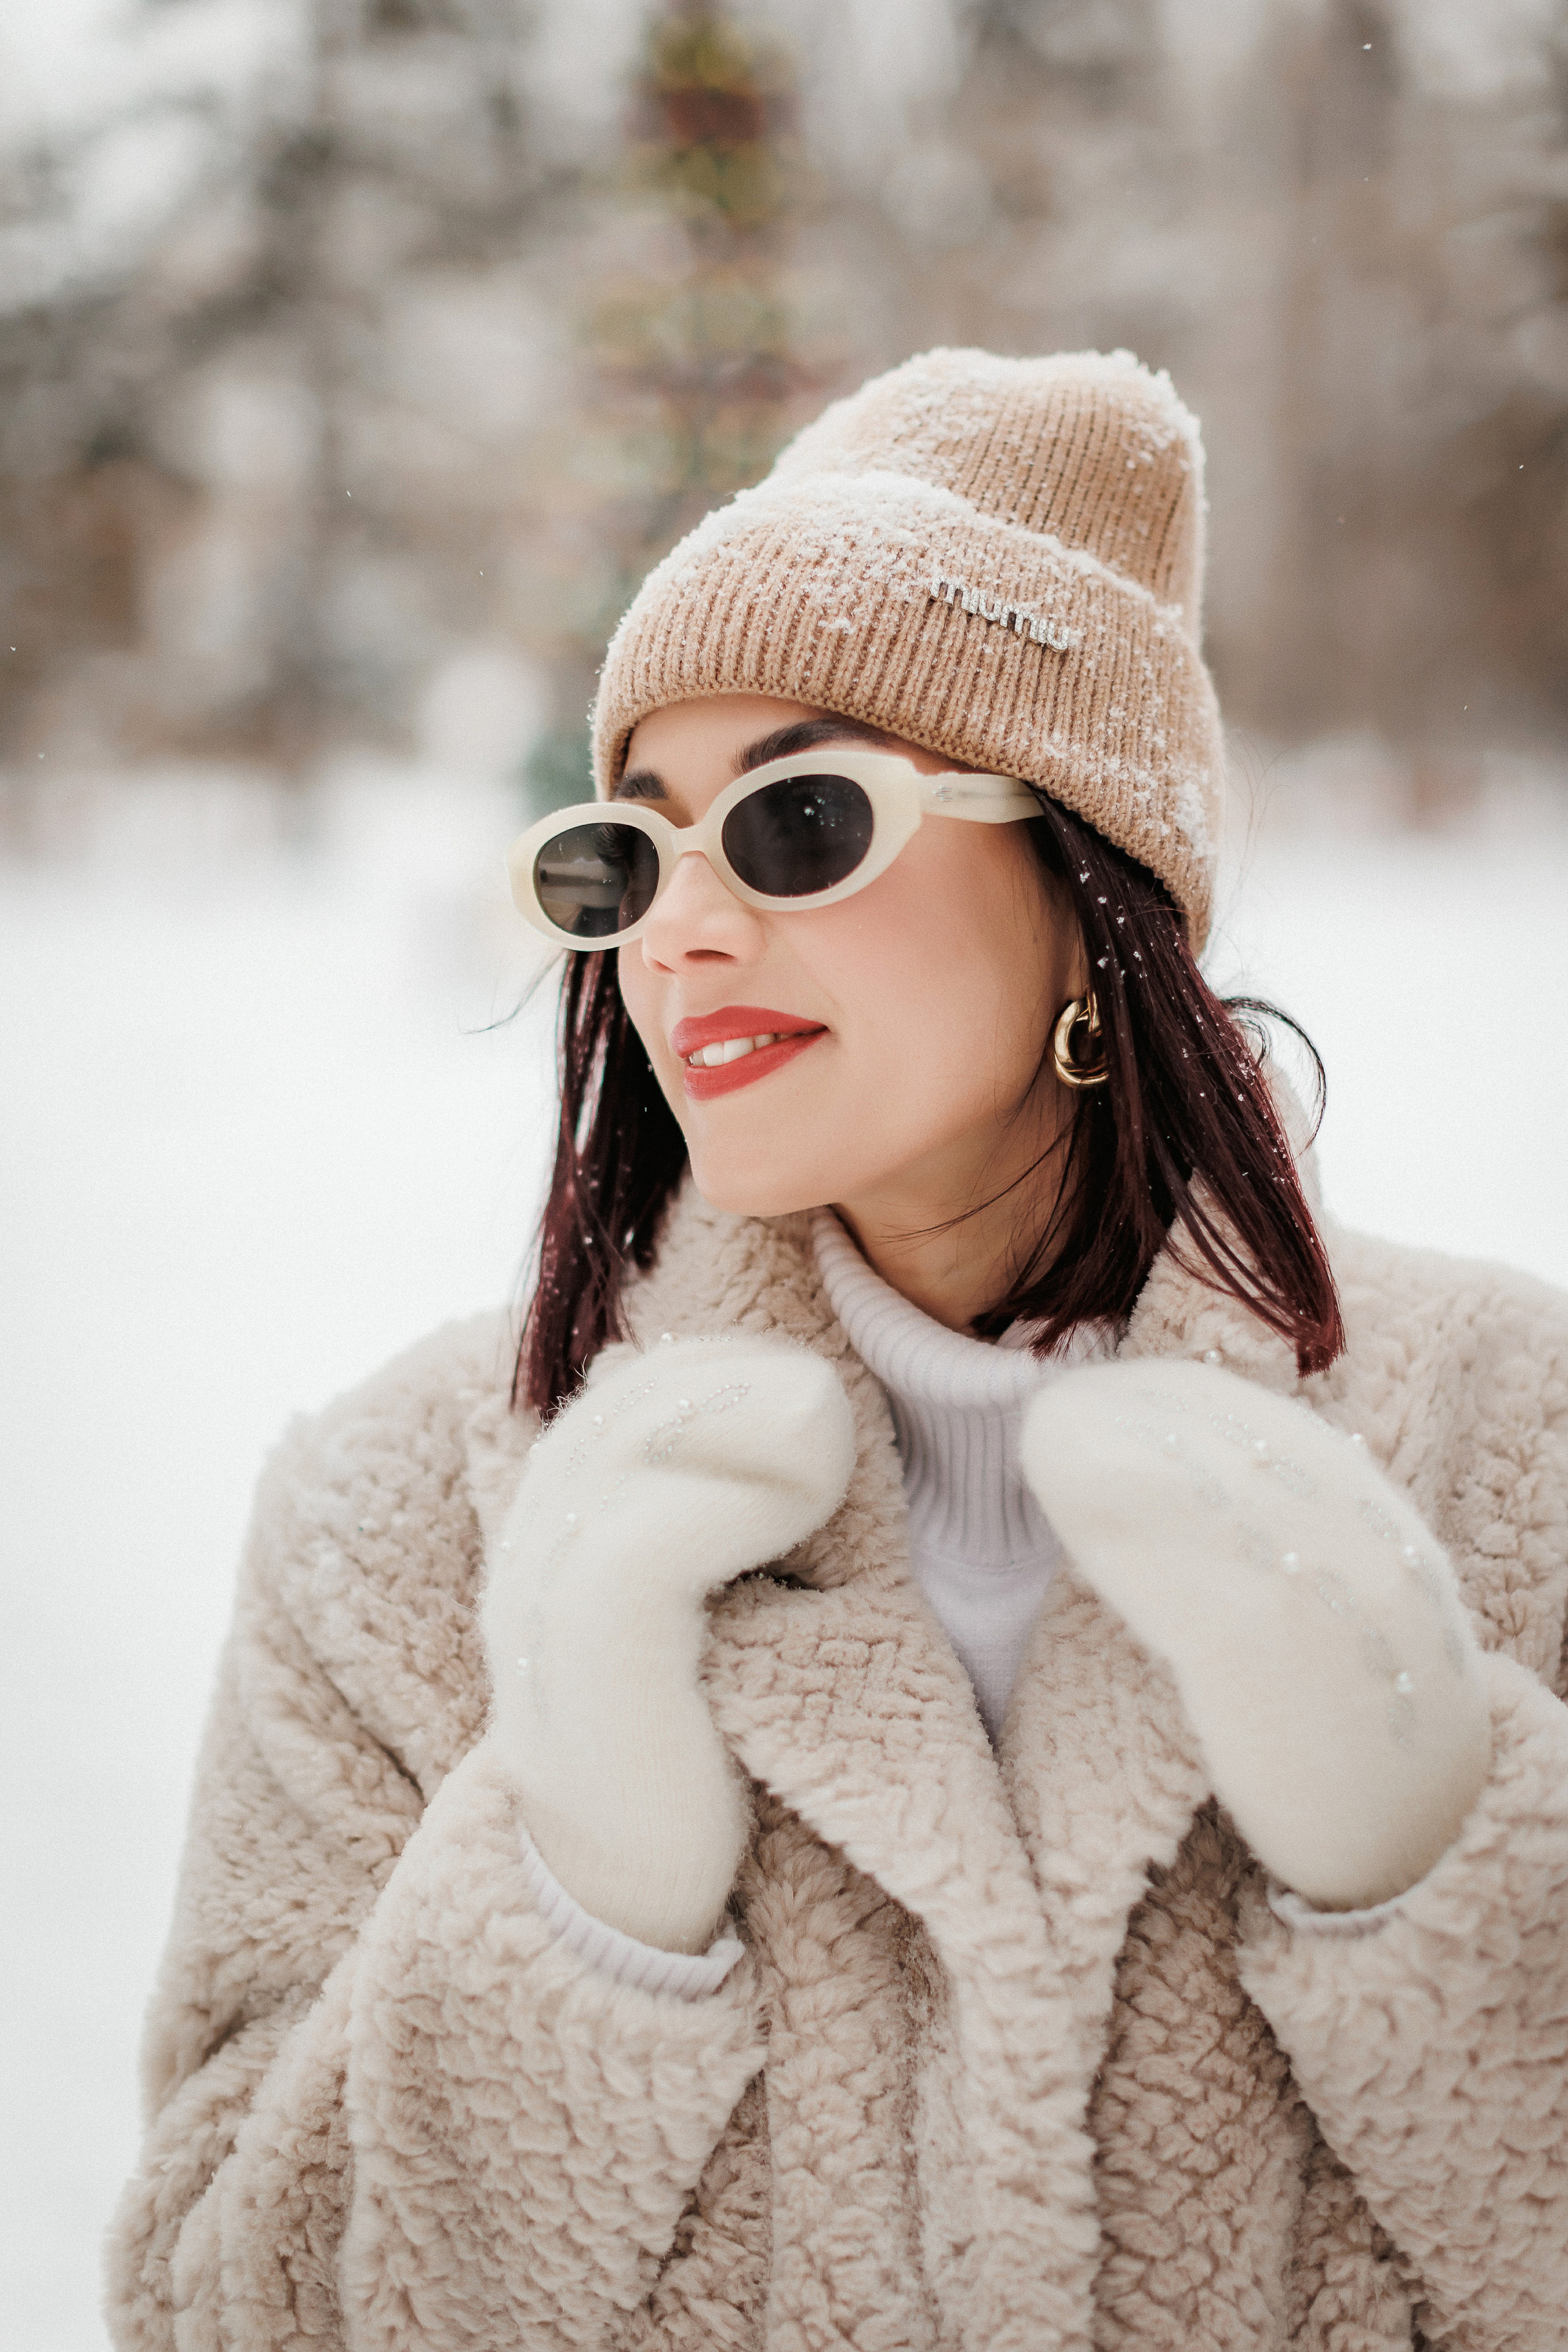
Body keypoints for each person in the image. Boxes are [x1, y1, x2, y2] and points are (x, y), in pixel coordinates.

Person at [108, 350, 1568, 2351]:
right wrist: (571, 1911)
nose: (677, 934)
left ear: (1088, 883)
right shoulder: (402, 1520)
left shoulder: (1523, 1448)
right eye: (624, 852)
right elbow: (218, 2311)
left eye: (800, 820)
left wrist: (1441, 1882)